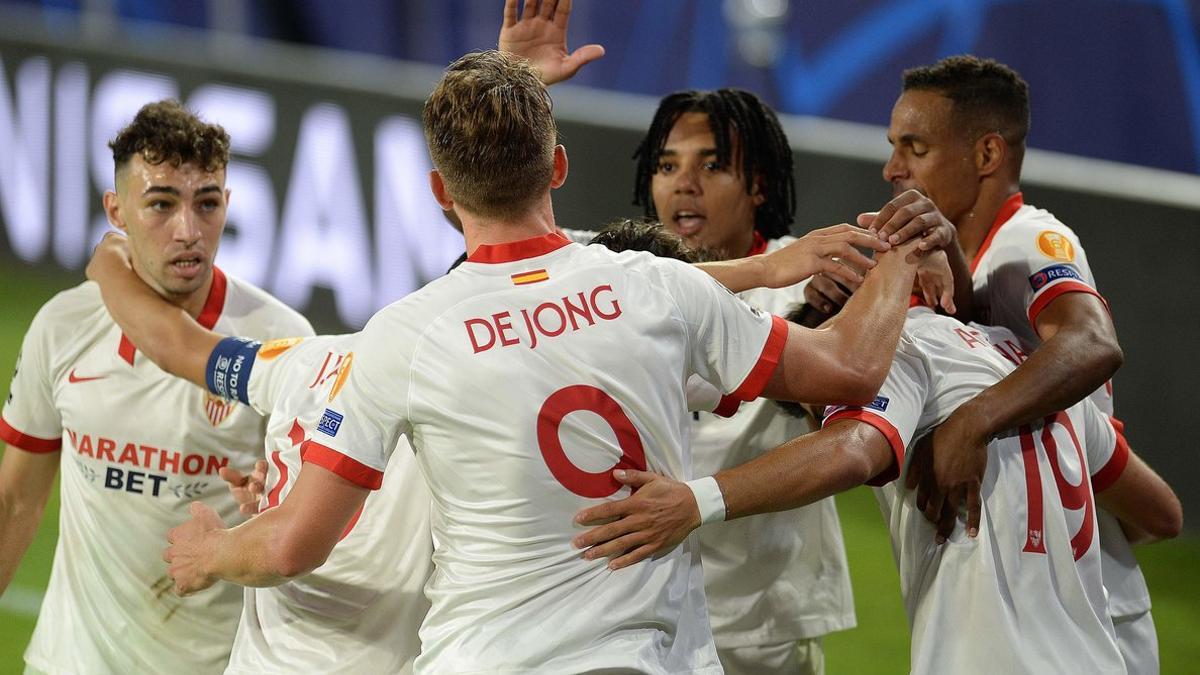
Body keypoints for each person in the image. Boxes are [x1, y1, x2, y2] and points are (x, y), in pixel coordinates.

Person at [157, 49, 932, 673]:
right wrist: (901, 248)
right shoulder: (656, 286)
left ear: (438, 191)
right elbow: (850, 368)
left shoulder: (407, 334)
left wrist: (212, 549)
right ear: (557, 167)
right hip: (656, 655)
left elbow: (294, 544)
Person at [571, 300, 1182, 674]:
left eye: (814, 406)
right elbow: (1161, 514)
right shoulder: (1032, 366)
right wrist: (1041, 537)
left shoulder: (904, 348)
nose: (814, 417)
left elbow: (857, 451)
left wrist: (694, 500)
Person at [804, 54, 1162, 673]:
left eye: (914, 148)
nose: (893, 169)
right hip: (1025, 577)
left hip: (1074, 598)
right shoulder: (963, 262)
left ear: (987, 154)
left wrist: (971, 424)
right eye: (894, 146)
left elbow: (1091, 344)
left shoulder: (1032, 238)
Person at [0, 100, 313, 674]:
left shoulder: (280, 340)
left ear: (228, 206)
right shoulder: (63, 327)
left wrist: (272, 499)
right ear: (116, 210)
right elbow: (15, 498)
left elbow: (307, 534)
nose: (188, 231)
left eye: (207, 203)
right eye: (161, 204)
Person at [80, 234, 433, 674]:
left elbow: (176, 346)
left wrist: (108, 264)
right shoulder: (462, 411)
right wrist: (273, 508)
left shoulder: (304, 361)